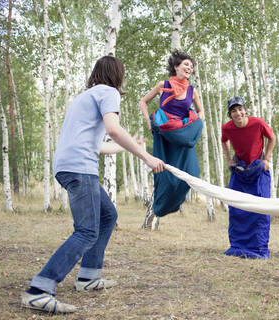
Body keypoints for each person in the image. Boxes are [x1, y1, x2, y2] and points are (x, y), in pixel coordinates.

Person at [21, 55, 165, 314]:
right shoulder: (109, 92)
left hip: (69, 165)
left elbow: (98, 145)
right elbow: (113, 129)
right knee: (87, 230)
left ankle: (88, 277)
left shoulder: (85, 97)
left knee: (108, 215)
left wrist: (126, 146)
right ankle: (40, 289)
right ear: (116, 75)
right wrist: (146, 157)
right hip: (79, 168)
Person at [139, 50, 203, 217]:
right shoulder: (163, 86)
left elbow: (200, 112)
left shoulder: (192, 91)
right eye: (186, 64)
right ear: (176, 67)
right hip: (165, 138)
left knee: (192, 174)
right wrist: (149, 121)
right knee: (166, 177)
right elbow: (143, 102)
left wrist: (193, 127)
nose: (189, 68)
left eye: (191, 66)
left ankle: (174, 204)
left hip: (183, 137)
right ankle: (161, 207)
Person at [221, 96, 276, 259]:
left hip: (258, 167)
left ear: (245, 110)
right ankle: (238, 246)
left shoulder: (258, 123)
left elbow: (272, 138)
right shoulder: (227, 128)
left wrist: (266, 159)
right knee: (237, 207)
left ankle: (258, 248)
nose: (237, 113)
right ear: (230, 115)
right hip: (240, 168)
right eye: (233, 111)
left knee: (260, 209)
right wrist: (229, 159)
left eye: (240, 109)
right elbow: (223, 141)